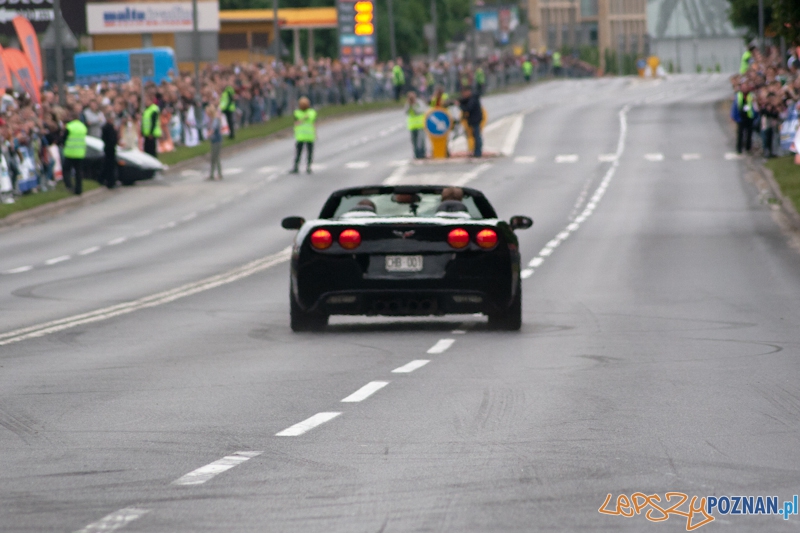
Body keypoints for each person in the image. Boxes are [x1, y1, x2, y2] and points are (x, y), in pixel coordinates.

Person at [62, 112, 87, 195]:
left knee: (66, 169)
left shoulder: (69, 126)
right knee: (78, 172)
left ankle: (69, 186)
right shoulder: (83, 127)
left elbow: (64, 138)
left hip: (70, 152)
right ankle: (79, 189)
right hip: (80, 152)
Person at [291, 96, 316, 174]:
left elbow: (298, 120)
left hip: (302, 136)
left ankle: (297, 166)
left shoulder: (298, 113)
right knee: (308, 152)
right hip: (307, 136)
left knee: (299, 152)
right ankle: (308, 166)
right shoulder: (310, 112)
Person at [459, 87, 483, 158]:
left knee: (477, 136)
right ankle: (476, 151)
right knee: (476, 136)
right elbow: (464, 101)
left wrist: (460, 105)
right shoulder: (472, 98)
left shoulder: (473, 99)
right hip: (474, 120)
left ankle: (478, 152)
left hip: (475, 120)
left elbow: (468, 108)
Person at [404, 91, 426, 159]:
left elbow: (420, 111)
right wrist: (409, 105)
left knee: (420, 141)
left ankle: (422, 154)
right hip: (412, 126)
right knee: (414, 142)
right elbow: (406, 112)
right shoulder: (408, 104)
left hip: (420, 125)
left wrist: (413, 105)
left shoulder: (419, 103)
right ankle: (416, 155)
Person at [735, 82, 755, 154]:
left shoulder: (751, 95)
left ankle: (748, 148)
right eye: (743, 87)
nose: (745, 89)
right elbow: (735, 107)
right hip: (741, 116)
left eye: (746, 87)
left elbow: (754, 106)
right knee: (740, 133)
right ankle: (739, 148)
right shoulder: (738, 95)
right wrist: (735, 116)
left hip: (749, 116)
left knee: (749, 133)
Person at [100, 111, 118, 188]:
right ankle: (110, 182)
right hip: (109, 149)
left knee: (109, 165)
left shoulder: (107, 127)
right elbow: (111, 138)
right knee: (109, 166)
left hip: (109, 148)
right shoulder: (108, 127)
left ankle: (109, 181)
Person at [141, 93, 161, 159]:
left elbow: (153, 122)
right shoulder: (146, 110)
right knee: (147, 151)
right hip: (146, 134)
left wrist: (151, 133)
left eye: (147, 101)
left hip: (152, 134)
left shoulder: (154, 109)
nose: (146, 102)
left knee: (152, 151)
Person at [206, 105, 223, 180]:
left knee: (215, 157)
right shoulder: (213, 119)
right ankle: (212, 174)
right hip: (214, 140)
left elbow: (213, 129)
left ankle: (218, 174)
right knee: (214, 158)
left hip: (216, 140)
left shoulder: (215, 120)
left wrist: (208, 134)